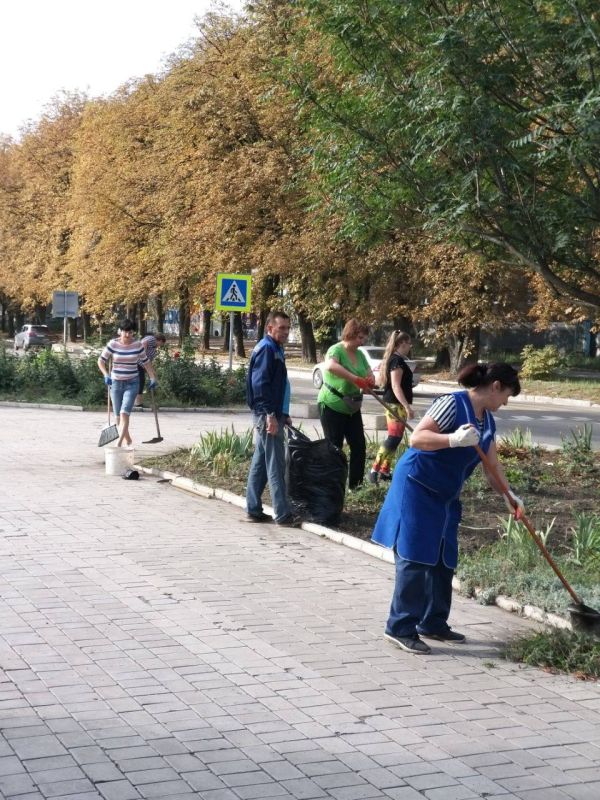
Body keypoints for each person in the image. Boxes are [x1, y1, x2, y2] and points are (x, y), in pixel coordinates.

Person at [372, 362, 523, 655]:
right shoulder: (452, 404)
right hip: (417, 486)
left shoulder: (487, 422)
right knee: (415, 556)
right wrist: (452, 439)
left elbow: (492, 467)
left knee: (444, 557)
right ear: (495, 386)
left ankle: (433, 622)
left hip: (445, 494)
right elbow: (418, 438)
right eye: (506, 395)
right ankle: (400, 627)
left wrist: (509, 494)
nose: (505, 403)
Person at [245, 310, 299, 527]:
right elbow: (260, 386)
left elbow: (278, 386)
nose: (286, 332)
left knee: (260, 461)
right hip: (267, 415)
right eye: (282, 328)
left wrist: (282, 414)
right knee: (275, 463)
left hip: (272, 413)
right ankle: (283, 514)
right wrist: (270, 415)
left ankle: (253, 508)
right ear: (270, 328)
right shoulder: (268, 349)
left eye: (288, 328)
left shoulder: (274, 347)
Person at [317, 319, 375, 489]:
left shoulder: (360, 355)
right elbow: (331, 366)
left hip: (352, 408)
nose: (362, 342)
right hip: (331, 405)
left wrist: (370, 380)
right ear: (350, 334)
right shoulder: (336, 350)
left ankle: (355, 486)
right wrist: (356, 379)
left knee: (359, 446)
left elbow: (369, 373)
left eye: (364, 339)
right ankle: (333, 486)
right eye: (360, 338)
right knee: (334, 448)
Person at [97, 319, 158, 447]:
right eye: (125, 332)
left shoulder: (137, 345)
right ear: (120, 332)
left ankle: (118, 445)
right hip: (116, 383)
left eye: (130, 332)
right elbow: (101, 361)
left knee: (125, 412)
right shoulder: (113, 344)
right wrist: (106, 375)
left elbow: (146, 362)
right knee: (118, 417)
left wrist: (152, 377)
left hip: (132, 382)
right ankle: (128, 439)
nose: (128, 335)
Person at [369, 330, 415, 484]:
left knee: (396, 439)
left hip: (396, 404)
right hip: (395, 404)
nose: (410, 346)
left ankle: (385, 470)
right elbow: (396, 386)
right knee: (393, 438)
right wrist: (407, 407)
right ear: (401, 344)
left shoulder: (397, 360)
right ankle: (374, 470)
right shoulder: (396, 362)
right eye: (408, 343)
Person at [135, 332, 166, 407]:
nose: (161, 345)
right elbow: (144, 342)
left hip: (142, 365)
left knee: (141, 382)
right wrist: (143, 353)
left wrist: (152, 371)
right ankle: (138, 403)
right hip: (136, 363)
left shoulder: (154, 348)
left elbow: (149, 361)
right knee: (140, 381)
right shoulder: (152, 339)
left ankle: (138, 402)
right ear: (160, 340)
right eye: (162, 343)